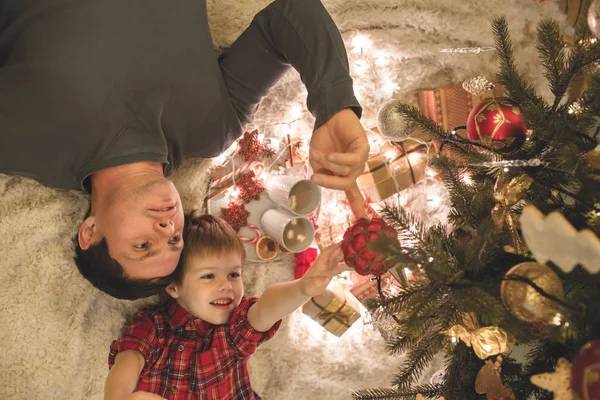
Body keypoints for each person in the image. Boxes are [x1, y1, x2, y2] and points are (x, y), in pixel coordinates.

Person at [0, 0, 369, 299]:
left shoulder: (19, 146)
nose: (165, 228)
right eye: (175, 239)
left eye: (143, 245)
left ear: (90, 232)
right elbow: (291, 14)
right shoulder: (212, 130)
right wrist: (334, 105)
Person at [104, 213, 346, 400]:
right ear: (174, 286)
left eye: (233, 274)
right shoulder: (154, 325)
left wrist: (303, 287)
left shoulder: (231, 332)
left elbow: (265, 309)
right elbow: (129, 358)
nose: (226, 286)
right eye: (209, 276)